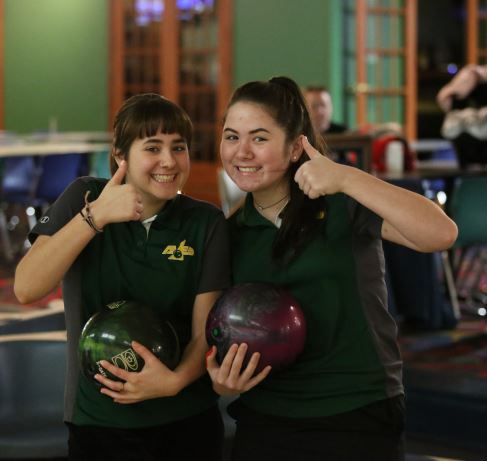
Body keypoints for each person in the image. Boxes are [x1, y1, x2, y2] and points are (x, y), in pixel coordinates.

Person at [206, 76, 458, 461]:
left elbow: (440, 233)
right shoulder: (229, 233)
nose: (241, 152)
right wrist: (222, 378)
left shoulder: (342, 202)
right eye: (231, 136)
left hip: (356, 410)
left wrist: (346, 177)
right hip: (266, 415)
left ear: (294, 149)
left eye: (259, 138)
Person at [14, 93, 230, 461]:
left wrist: (174, 382)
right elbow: (26, 288)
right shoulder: (84, 196)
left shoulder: (206, 223)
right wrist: (94, 217)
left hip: (186, 417)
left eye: (179, 147)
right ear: (120, 155)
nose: (169, 160)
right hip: (99, 422)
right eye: (153, 147)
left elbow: (203, 332)